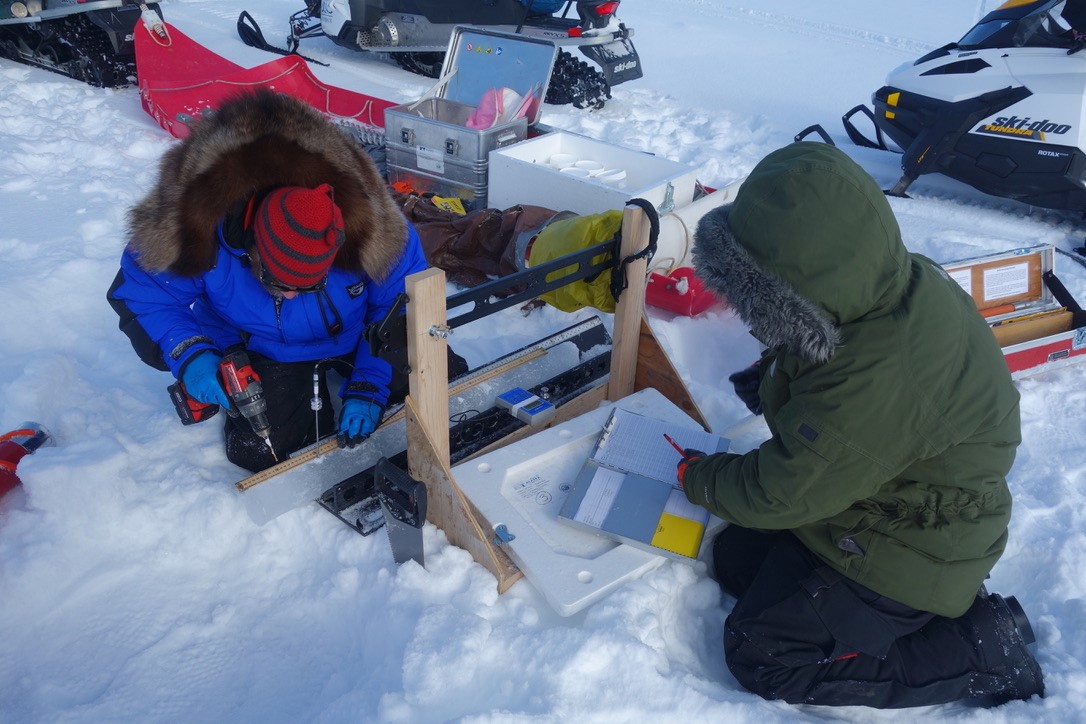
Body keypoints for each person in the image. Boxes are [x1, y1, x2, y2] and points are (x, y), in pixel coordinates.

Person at [680, 142, 1044, 708]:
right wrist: (776, 374)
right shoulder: (890, 284)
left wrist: (700, 477)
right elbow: (832, 357)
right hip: (880, 494)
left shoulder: (876, 377)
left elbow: (784, 489)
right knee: (736, 559)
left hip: (912, 541)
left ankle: (978, 649)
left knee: (762, 652)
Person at [107, 89, 462, 472]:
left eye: (310, 285)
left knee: (445, 386)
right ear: (251, 247)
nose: (292, 296)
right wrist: (189, 352)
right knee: (265, 452)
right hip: (260, 345)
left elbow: (399, 308)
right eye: (278, 283)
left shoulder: (374, 229)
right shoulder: (195, 228)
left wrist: (370, 381)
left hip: (359, 334)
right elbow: (147, 297)